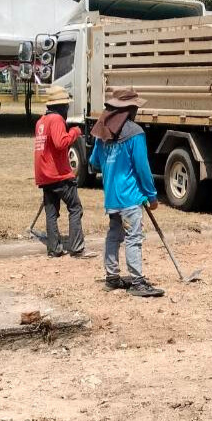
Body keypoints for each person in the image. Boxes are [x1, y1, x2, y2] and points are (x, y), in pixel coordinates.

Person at [88, 87, 165, 298]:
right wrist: (152, 196)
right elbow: (142, 167)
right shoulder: (135, 133)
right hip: (130, 197)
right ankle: (138, 282)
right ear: (130, 110)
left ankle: (112, 278)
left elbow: (94, 162)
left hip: (111, 197)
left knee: (114, 235)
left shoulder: (102, 132)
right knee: (133, 238)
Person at [33, 85, 92, 258]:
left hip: (44, 174)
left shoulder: (41, 121)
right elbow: (60, 143)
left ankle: (54, 248)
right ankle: (76, 247)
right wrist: (74, 131)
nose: (67, 108)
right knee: (75, 208)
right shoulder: (56, 119)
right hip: (58, 174)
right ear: (60, 106)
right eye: (66, 105)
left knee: (51, 212)